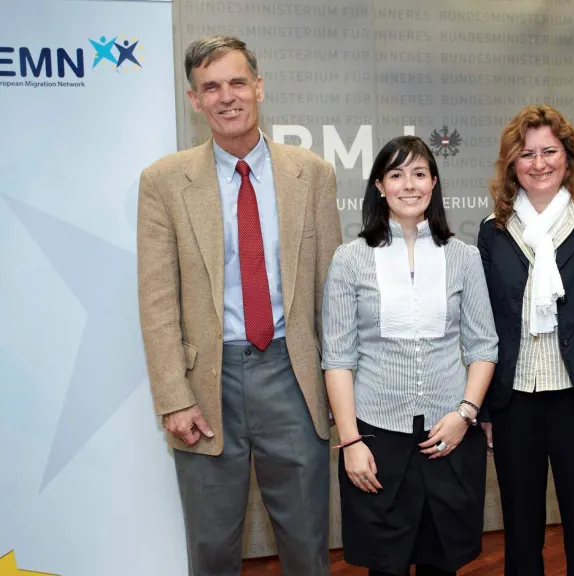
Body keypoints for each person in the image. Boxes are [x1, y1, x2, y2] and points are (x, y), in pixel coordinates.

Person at [136, 35, 341, 575]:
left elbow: (331, 291)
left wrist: (340, 387)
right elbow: (157, 297)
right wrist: (173, 397)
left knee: (306, 544)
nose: (226, 96)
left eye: (235, 82)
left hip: (293, 376)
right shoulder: (163, 182)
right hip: (207, 384)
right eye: (210, 87)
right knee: (211, 548)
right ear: (194, 100)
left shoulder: (312, 174)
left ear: (258, 87)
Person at [322, 136, 498, 576]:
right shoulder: (350, 260)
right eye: (396, 174)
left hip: (449, 437)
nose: (409, 184)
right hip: (377, 440)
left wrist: (465, 414)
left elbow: (483, 346)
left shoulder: (464, 257)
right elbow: (338, 358)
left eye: (419, 174)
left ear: (434, 183)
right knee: (386, 566)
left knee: (444, 564)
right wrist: (350, 442)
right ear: (380, 185)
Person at [477, 105, 574, 575]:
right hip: (513, 404)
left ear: (569, 156)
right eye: (526, 154)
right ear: (511, 163)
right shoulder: (494, 231)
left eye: (550, 150)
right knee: (521, 536)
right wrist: (485, 411)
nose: (539, 162)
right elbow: (483, 330)